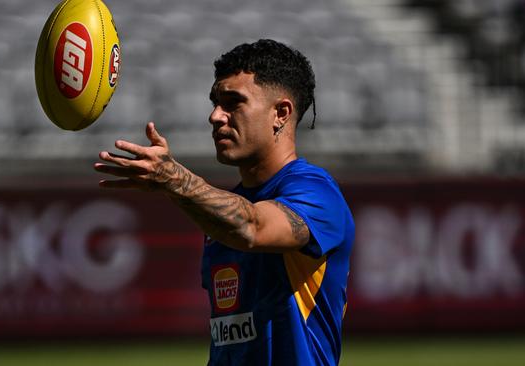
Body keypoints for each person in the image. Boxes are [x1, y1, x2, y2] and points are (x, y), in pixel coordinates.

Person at [94, 39, 355, 366]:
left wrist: (176, 181)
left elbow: (253, 228)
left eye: (233, 102)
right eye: (216, 102)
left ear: (280, 113)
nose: (215, 116)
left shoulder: (317, 192)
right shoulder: (222, 212)